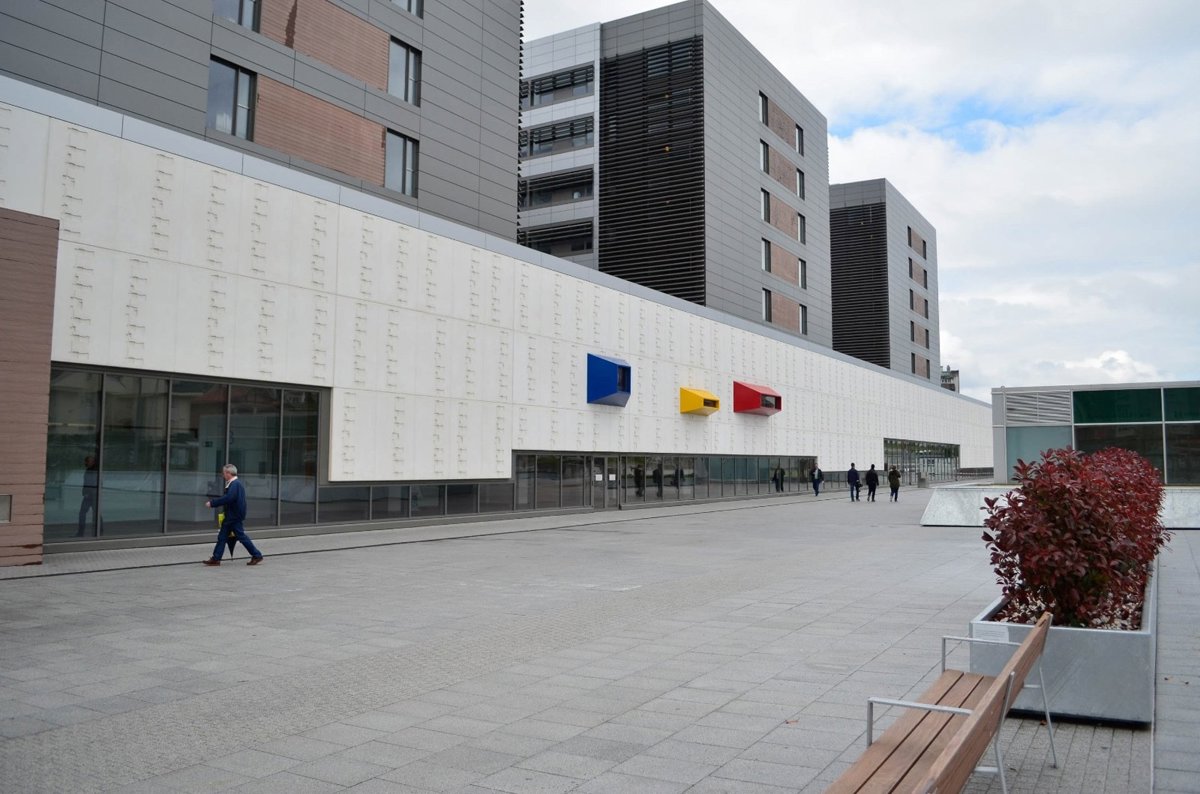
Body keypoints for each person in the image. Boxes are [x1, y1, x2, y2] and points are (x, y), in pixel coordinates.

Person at [203, 464, 264, 566]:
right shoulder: (235, 484)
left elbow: (229, 498)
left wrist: (212, 503)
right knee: (223, 537)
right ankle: (216, 558)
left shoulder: (235, 484)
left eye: (224, 473)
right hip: (233, 515)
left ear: (228, 473)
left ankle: (257, 555)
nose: (223, 475)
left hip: (233, 516)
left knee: (239, 536)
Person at [77, 454, 98, 537]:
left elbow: (92, 483)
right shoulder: (89, 470)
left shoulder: (94, 471)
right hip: (90, 495)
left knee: (85, 513)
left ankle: (81, 532)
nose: (85, 463)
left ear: (92, 462)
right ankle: (99, 532)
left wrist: (87, 493)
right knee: (94, 513)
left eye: (87, 461)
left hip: (91, 495)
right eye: (85, 461)